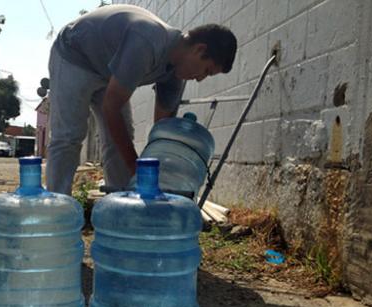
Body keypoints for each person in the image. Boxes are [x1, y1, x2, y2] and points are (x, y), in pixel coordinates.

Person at [45, 4, 237, 195]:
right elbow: (111, 108)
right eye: (206, 70)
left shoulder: (175, 74)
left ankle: (121, 203)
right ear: (199, 50)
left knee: (120, 137)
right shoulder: (147, 42)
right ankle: (57, 208)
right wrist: (137, 168)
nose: (200, 78)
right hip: (75, 55)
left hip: (106, 72)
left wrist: (163, 174)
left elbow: (162, 131)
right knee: (68, 136)